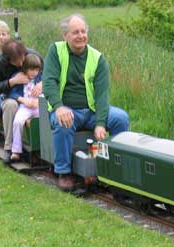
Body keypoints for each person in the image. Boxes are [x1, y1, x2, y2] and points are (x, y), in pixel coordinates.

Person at [42, 13, 130, 191]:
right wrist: (59, 107)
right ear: (65, 35)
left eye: (83, 31)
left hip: (90, 110)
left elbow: (102, 94)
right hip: (65, 110)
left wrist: (100, 123)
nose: (80, 36)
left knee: (120, 118)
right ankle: (63, 172)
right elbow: (49, 82)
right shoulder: (56, 51)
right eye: (75, 32)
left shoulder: (97, 59)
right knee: (63, 122)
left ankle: (114, 167)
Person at [0, 40, 43, 164]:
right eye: (16, 61)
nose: (20, 63)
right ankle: (9, 148)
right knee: (10, 106)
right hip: (11, 96)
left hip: (35, 100)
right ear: (8, 59)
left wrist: (42, 84)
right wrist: (12, 81)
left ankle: (40, 149)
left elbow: (49, 73)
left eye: (22, 58)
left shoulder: (33, 56)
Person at [9, 53, 43, 161]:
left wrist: (38, 100)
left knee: (46, 121)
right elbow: (12, 93)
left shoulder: (40, 78)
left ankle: (42, 148)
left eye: (36, 70)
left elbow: (48, 89)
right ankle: (16, 150)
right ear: (25, 68)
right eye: (31, 70)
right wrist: (24, 100)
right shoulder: (18, 77)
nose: (34, 73)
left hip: (38, 106)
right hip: (25, 107)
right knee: (18, 122)